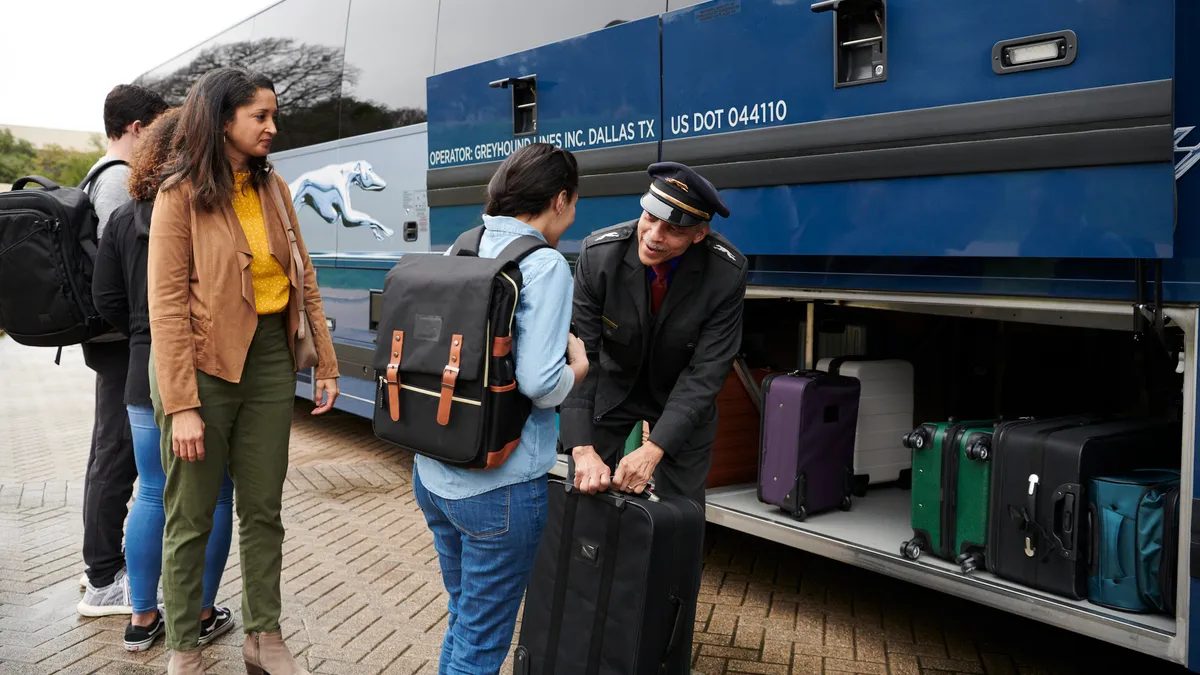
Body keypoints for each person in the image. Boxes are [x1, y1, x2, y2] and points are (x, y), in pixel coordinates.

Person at [147, 66, 340, 674]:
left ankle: (265, 635)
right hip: (201, 370)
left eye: (273, 115)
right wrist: (181, 404)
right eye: (260, 116)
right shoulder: (179, 193)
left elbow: (301, 274)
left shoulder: (274, 187)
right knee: (190, 516)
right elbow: (167, 306)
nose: (272, 127)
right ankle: (183, 646)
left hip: (269, 361)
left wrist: (327, 364)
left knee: (264, 508)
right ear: (221, 119)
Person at [412, 143, 588, 675]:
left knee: (463, 618)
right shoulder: (546, 264)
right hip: (501, 488)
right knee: (482, 642)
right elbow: (538, 382)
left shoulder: (463, 247)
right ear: (560, 199)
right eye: (574, 202)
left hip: (436, 472)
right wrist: (578, 368)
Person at [92, 107, 237, 653]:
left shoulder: (127, 217)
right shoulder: (208, 211)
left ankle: (142, 617)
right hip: (202, 373)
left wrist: (139, 329)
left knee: (151, 492)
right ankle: (199, 611)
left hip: (139, 373)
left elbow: (105, 298)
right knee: (217, 495)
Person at [560, 161, 747, 508]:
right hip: (612, 386)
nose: (654, 235)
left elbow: (706, 370)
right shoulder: (598, 255)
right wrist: (582, 448)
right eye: (650, 217)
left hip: (679, 394)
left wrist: (654, 448)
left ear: (699, 235)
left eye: (674, 229)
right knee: (583, 498)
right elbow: (581, 355)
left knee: (682, 515)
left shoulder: (725, 272)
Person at [78, 83, 169, 616]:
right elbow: (128, 281)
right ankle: (104, 577)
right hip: (123, 343)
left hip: (112, 339)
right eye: (155, 129)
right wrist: (138, 331)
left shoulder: (98, 171)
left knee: (108, 452)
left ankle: (100, 565)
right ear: (137, 128)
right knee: (117, 457)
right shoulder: (118, 184)